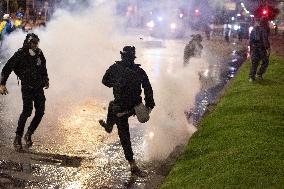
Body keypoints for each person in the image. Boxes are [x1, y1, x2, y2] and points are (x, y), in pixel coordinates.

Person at [99, 46, 155, 175]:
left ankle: (109, 126)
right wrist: (149, 104)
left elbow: (105, 81)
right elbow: (148, 88)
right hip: (128, 106)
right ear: (132, 58)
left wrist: (149, 104)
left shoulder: (120, 69)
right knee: (114, 109)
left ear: (123, 56)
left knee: (124, 134)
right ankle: (132, 164)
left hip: (127, 107)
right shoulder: (137, 71)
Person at [0, 33, 49, 151]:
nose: (35, 45)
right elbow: (7, 68)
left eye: (36, 43)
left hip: (38, 87)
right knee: (27, 111)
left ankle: (29, 133)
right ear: (28, 43)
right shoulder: (20, 54)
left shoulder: (39, 53)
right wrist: (2, 83)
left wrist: (46, 79)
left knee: (40, 112)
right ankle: (18, 137)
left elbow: (43, 67)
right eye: (33, 43)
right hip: (27, 87)